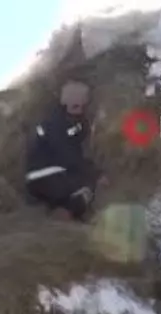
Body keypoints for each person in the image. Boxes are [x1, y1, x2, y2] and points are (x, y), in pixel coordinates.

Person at [25, 79, 107, 221]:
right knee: (86, 189)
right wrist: (97, 174)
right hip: (47, 175)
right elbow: (70, 157)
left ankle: (63, 213)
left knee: (77, 189)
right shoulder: (56, 124)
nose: (83, 108)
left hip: (45, 176)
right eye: (81, 104)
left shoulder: (65, 120)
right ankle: (64, 219)